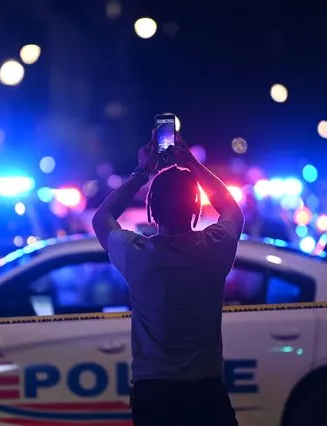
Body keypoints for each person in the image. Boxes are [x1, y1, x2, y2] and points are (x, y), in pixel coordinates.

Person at [92, 130, 243, 426]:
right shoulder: (214, 247)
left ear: (152, 211)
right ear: (197, 209)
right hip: (206, 391)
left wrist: (142, 172)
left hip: (154, 393)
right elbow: (231, 209)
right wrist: (193, 166)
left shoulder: (137, 254)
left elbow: (102, 217)